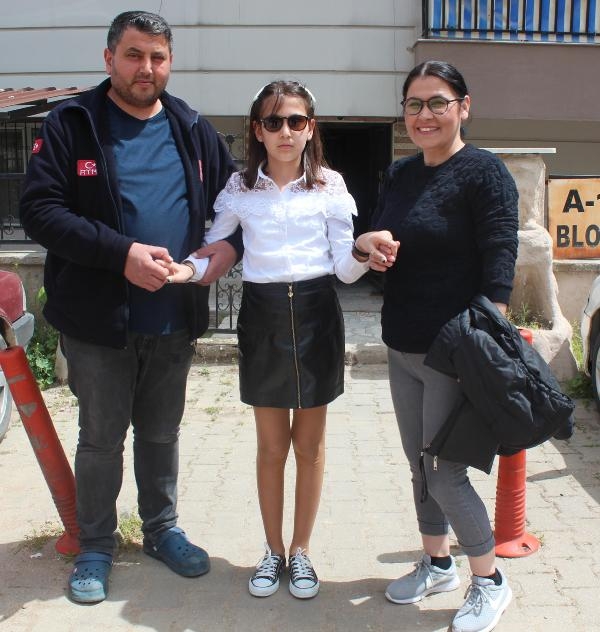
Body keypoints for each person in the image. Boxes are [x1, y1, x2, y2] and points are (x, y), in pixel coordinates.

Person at [19, 11, 241, 604]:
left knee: (161, 433)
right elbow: (39, 210)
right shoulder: (73, 124)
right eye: (134, 55)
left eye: (157, 57)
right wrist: (121, 255)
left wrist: (226, 251)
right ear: (109, 58)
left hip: (173, 318)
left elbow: (236, 205)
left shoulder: (192, 127)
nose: (147, 68)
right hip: (99, 322)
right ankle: (95, 545)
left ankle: (162, 530)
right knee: (101, 439)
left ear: (170, 62)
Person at [165, 80, 397, 599]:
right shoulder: (239, 188)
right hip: (263, 316)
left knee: (309, 448)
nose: (285, 132)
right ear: (257, 130)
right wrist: (186, 270)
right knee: (271, 447)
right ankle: (272, 552)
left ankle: (302, 551)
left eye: (296, 121)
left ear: (310, 127)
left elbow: (344, 269)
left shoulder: (330, 186)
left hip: (317, 314)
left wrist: (363, 248)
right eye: (274, 122)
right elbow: (215, 247)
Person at [355, 61, 519, 632]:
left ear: (463, 107)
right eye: (414, 104)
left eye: (438, 102)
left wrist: (486, 347)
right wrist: (370, 246)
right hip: (402, 344)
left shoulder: (484, 172)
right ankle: (438, 563)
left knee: (447, 472)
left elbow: (500, 259)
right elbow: (376, 238)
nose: (424, 115)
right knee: (420, 467)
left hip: (454, 351)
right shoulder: (401, 173)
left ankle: (490, 581)